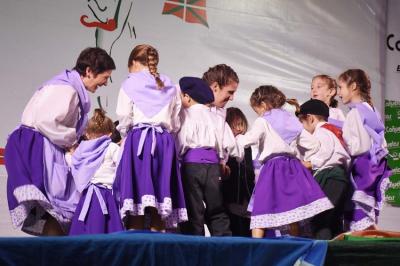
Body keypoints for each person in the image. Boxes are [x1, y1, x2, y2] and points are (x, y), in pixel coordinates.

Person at [5, 47, 115, 236]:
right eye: (104, 77)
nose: (105, 83)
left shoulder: (66, 86)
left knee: (52, 212)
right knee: (53, 207)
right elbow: (46, 121)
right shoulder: (67, 89)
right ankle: (55, 253)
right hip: (37, 147)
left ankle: (54, 250)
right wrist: (72, 141)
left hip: (33, 143)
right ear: (89, 71)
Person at [236, 85, 333, 238]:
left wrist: (235, 139)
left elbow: (250, 139)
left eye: (257, 110)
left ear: (263, 105)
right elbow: (314, 145)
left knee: (260, 210)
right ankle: (294, 250)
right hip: (293, 169)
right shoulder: (293, 121)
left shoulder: (263, 121)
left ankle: (256, 248)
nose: (258, 114)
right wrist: (309, 161)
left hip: (272, 169)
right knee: (292, 212)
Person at [114, 44, 187, 232]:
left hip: (139, 139)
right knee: (160, 200)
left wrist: (125, 136)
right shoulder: (170, 84)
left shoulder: (129, 83)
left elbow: (124, 117)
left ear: (133, 63)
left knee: (137, 198)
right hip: (164, 141)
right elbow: (175, 122)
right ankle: (158, 243)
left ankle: (136, 248)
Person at [177, 77, 238, 236]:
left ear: (187, 97)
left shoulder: (185, 116)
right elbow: (231, 145)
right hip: (213, 166)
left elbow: (181, 142)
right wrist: (222, 160)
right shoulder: (217, 118)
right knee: (216, 208)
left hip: (191, 166)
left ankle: (194, 249)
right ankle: (224, 247)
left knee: (194, 210)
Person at [337, 69, 391, 231]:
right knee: (364, 217)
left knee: (359, 216)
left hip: (363, 167)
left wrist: (340, 143)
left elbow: (359, 146)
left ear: (353, 86)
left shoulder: (355, 113)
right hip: (374, 165)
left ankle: (380, 249)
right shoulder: (370, 109)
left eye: (341, 87)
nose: (339, 93)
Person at [297, 99, 351, 239]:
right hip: (340, 177)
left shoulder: (322, 131)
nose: (302, 127)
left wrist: (309, 163)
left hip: (330, 176)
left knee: (321, 221)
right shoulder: (335, 130)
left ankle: (323, 256)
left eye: (302, 122)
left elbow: (325, 151)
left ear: (311, 118)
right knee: (334, 221)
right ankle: (337, 256)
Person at [69, 109, 123, 235]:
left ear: (87, 134)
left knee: (86, 230)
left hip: (87, 195)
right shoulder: (112, 147)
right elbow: (121, 167)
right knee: (109, 231)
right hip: (106, 195)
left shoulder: (81, 149)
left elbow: (74, 165)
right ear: (110, 134)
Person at [223, 107, 255, 237]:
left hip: (245, 198)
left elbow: (249, 170)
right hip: (228, 196)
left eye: (241, 125)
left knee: (246, 230)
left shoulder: (246, 146)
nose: (240, 129)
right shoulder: (224, 144)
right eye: (235, 126)